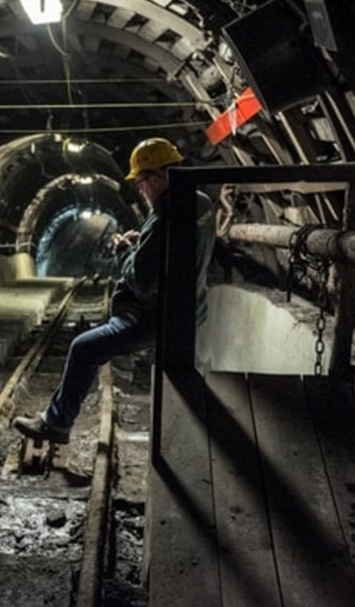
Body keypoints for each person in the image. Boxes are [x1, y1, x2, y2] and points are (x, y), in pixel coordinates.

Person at [13, 137, 215, 444]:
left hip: (155, 315)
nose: (140, 190)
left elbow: (142, 280)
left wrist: (124, 252)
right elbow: (177, 254)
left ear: (158, 178)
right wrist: (143, 245)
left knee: (84, 348)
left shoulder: (165, 215)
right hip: (189, 308)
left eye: (141, 182)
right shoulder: (200, 202)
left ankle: (56, 423)